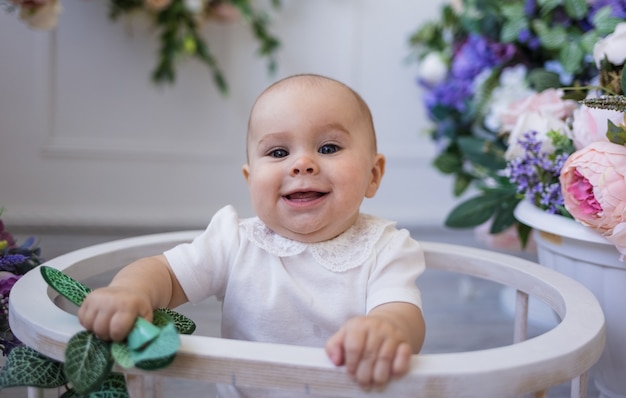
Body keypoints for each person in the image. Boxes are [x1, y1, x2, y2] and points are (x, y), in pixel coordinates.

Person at [77, 74, 426, 396]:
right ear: (250, 180)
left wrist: (386, 328)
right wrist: (129, 291)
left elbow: (402, 312)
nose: (302, 164)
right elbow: (165, 274)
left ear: (373, 175)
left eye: (328, 148)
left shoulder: (385, 247)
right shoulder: (234, 241)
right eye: (278, 152)